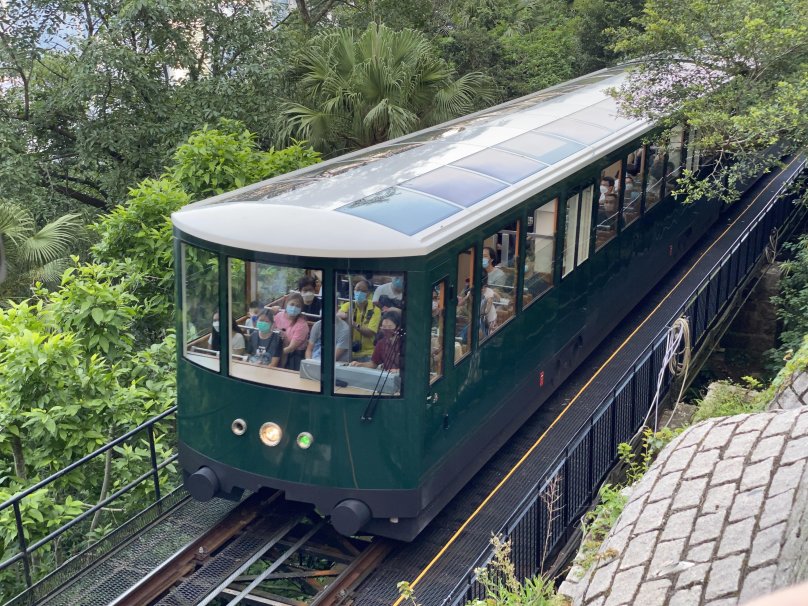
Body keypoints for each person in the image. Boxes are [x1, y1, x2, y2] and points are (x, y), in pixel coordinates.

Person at [338, 278, 381, 361]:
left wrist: (353, 323)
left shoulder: (375, 310)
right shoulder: (348, 305)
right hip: (348, 351)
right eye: (356, 289)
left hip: (367, 353)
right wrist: (343, 315)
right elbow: (339, 314)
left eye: (361, 290)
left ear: (368, 293)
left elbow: (369, 333)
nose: (358, 292)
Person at [272, 292, 310, 370]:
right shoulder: (278, 316)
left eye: (297, 306)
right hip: (277, 350)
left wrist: (275, 355)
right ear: (286, 304)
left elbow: (291, 348)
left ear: (301, 309)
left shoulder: (302, 325)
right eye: (292, 304)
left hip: (293, 355)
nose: (294, 308)